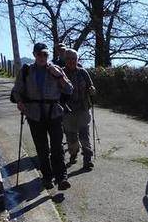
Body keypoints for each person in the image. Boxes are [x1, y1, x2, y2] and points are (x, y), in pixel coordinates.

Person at [11, 43, 74, 190]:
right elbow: (17, 90)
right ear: (34, 55)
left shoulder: (56, 69)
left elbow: (69, 89)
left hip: (54, 113)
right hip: (34, 114)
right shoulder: (26, 70)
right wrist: (19, 102)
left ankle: (61, 178)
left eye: (45, 54)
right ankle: (47, 177)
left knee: (57, 147)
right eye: (39, 54)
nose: (42, 57)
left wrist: (58, 76)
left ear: (48, 55)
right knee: (42, 149)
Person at [62, 48, 96, 170]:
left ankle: (87, 159)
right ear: (64, 59)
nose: (72, 61)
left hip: (83, 109)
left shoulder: (83, 72)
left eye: (74, 59)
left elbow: (90, 85)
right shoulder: (60, 73)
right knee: (72, 139)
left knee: (84, 137)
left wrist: (92, 90)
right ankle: (73, 153)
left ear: (77, 59)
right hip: (67, 111)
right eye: (69, 59)